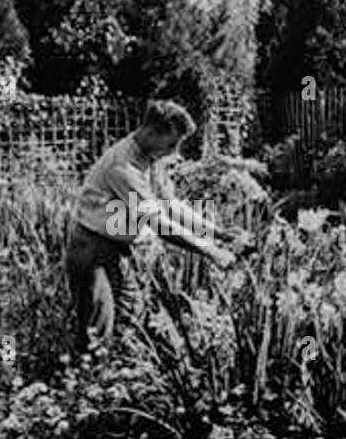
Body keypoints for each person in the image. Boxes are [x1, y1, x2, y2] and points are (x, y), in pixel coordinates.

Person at [65, 99, 238, 350]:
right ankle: (86, 382)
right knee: (97, 334)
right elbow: (156, 222)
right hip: (93, 252)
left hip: (118, 249)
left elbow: (171, 205)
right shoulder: (122, 166)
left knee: (130, 323)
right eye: (171, 143)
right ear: (151, 131)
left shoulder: (150, 159)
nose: (174, 151)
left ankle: (115, 382)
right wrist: (210, 251)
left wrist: (219, 235)